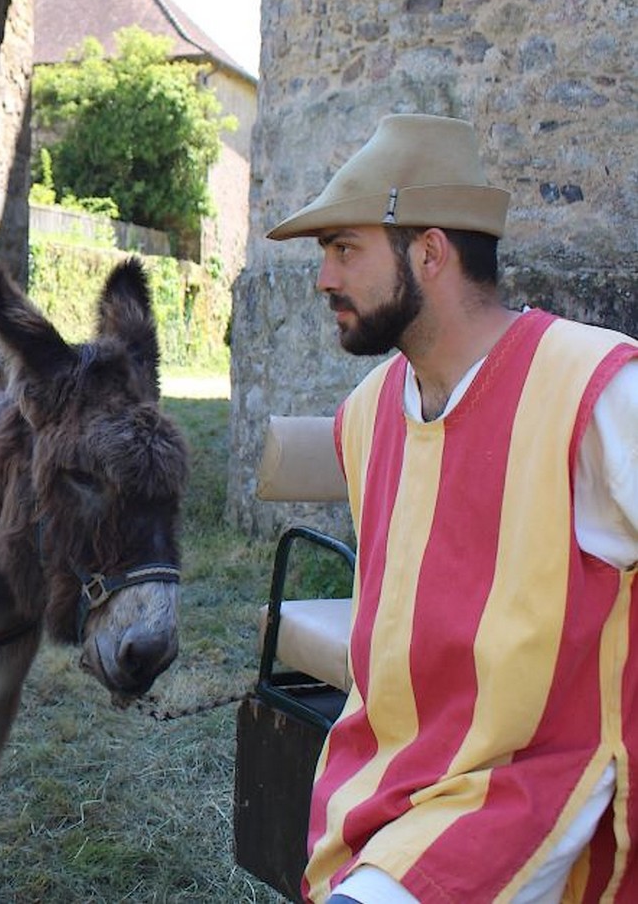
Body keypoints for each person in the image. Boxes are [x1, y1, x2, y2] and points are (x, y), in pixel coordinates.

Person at [266, 113, 638, 904]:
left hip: (521, 786)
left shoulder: (592, 386)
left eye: (345, 250)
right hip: (379, 783)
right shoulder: (367, 413)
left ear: (429, 252)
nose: (324, 279)